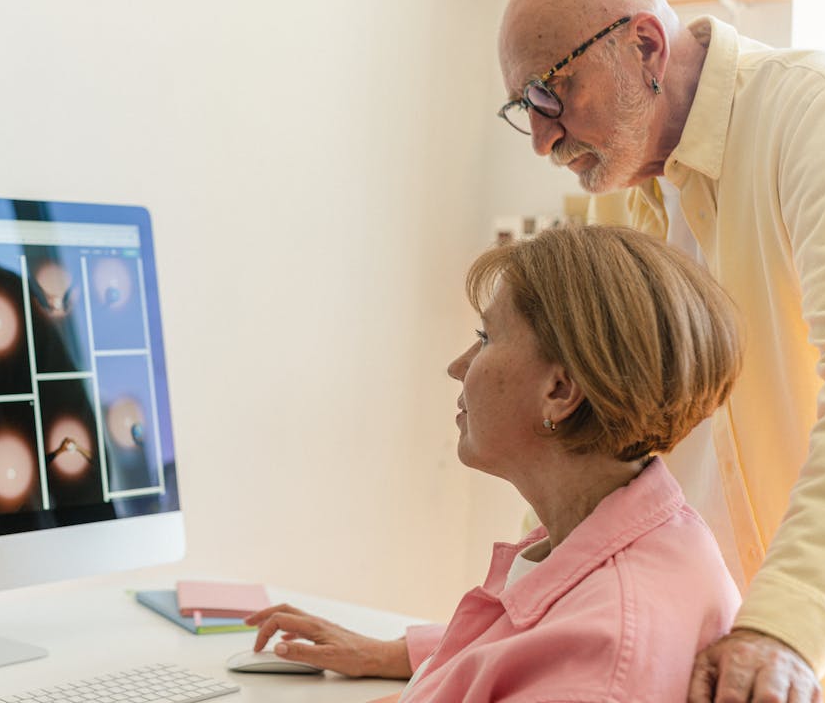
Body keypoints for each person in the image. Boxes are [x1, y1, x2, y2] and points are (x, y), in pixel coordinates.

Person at [496, 0, 825, 702]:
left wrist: (784, 625)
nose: (541, 140)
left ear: (646, 48)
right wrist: (467, 642)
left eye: (550, 95)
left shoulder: (821, 116)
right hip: (690, 661)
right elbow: (597, 456)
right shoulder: (627, 191)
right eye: (523, 108)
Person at [251, 225, 743, 700]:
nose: (458, 367)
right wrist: (397, 654)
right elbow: (527, 641)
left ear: (561, 390)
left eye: (485, 338)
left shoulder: (599, 659)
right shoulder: (630, 533)